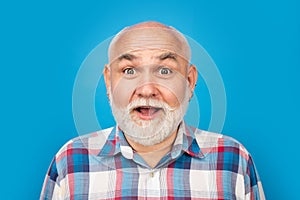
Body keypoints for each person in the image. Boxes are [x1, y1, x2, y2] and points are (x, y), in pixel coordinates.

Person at [40, 21, 265, 199]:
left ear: (190, 80)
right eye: (129, 70)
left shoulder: (234, 160)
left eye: (165, 71)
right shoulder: (70, 161)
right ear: (109, 82)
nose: (146, 89)